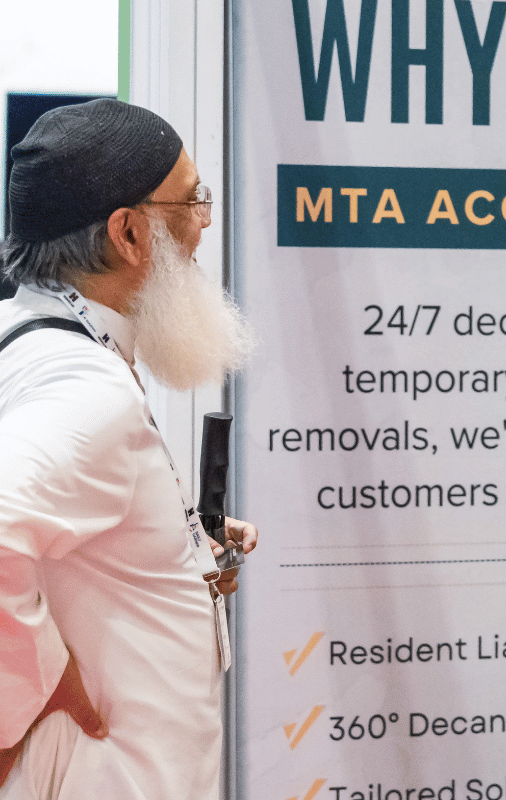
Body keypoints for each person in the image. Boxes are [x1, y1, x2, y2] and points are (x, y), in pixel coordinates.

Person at [0, 99, 257, 800]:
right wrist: (37, 682)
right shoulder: (85, 387)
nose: (204, 223)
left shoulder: (35, 338)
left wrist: (177, 541)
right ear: (130, 234)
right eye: (193, 200)